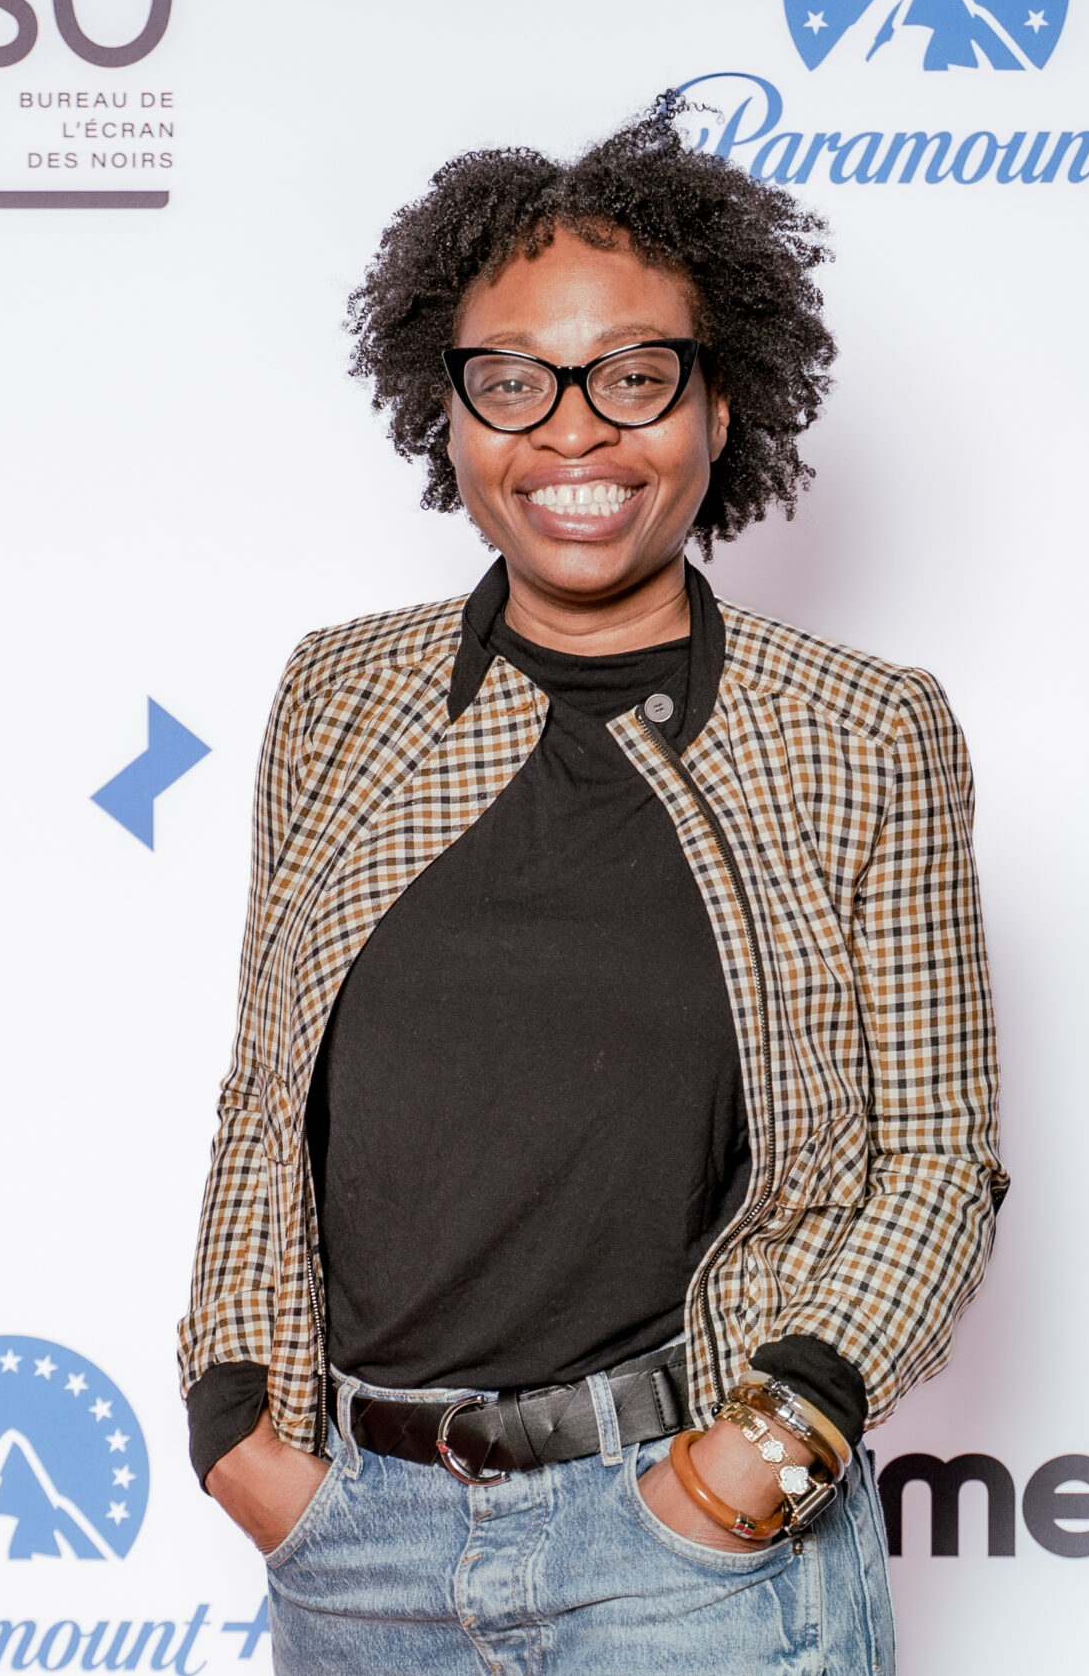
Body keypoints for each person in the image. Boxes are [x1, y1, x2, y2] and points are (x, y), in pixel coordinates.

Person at [177, 97, 1004, 1673]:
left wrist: (765, 1454)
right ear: (450, 413)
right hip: (356, 1546)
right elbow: (266, 1096)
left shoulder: (863, 733)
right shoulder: (339, 698)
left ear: (718, 404)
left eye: (633, 376)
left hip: (691, 1558)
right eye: (513, 380)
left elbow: (936, 1157)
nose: (573, 433)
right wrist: (239, 1428)